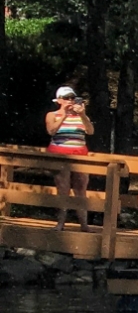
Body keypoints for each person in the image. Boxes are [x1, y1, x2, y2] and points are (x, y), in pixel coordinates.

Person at [45, 86, 93, 228]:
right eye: (66, 98)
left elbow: (90, 131)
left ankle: (84, 225)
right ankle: (61, 223)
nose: (70, 100)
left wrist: (82, 114)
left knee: (81, 189)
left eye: (72, 98)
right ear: (59, 100)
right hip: (60, 155)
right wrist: (64, 115)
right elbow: (51, 131)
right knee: (63, 188)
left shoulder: (80, 116)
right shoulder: (52, 115)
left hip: (80, 155)